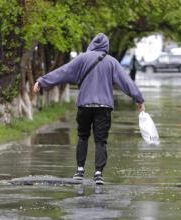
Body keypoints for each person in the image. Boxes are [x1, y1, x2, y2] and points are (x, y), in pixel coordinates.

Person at [33, 33, 145, 185]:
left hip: (85, 104)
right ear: (106, 45)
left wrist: (42, 81)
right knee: (101, 141)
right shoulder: (112, 62)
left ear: (92, 43)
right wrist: (138, 98)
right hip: (103, 107)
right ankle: (98, 174)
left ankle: (80, 170)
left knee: (83, 136)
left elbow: (63, 71)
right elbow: (126, 81)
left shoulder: (82, 58)